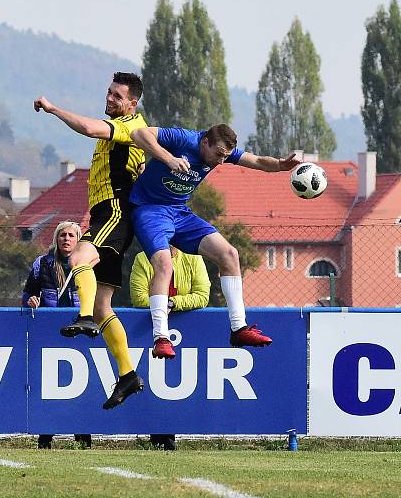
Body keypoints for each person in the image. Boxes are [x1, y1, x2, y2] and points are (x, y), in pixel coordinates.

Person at [129, 123, 301, 358]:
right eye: (218, 155)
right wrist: (169, 159)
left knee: (229, 254)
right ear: (205, 142)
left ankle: (239, 328)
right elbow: (138, 133)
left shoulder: (220, 153)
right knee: (164, 263)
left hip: (179, 212)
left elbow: (259, 161)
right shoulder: (183, 139)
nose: (221, 162)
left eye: (226, 157)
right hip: (150, 210)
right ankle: (161, 337)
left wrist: (281, 165)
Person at [34, 72, 147, 410]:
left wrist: (53, 109)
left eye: (117, 96)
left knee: (78, 258)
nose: (110, 98)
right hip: (108, 217)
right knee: (103, 306)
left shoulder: (130, 127)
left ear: (132, 104)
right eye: (109, 92)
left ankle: (82, 317)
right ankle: (127, 374)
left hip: (113, 211)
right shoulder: (123, 127)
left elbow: (88, 128)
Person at [130, 245, 210, 450]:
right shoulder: (142, 259)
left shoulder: (193, 259)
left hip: (187, 334)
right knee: (153, 382)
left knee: (182, 382)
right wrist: (161, 308)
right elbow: (138, 298)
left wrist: (172, 303)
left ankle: (171, 432)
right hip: (151, 333)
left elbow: (202, 296)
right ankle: (158, 435)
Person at [21, 220, 91, 448]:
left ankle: (83, 436)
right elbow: (27, 294)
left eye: (71, 235)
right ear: (56, 239)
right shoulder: (42, 264)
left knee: (82, 383)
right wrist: (31, 301)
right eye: (63, 235)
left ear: (78, 239)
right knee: (48, 384)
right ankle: (46, 435)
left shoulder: (87, 265)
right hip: (49, 332)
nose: (67, 239)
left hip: (79, 330)